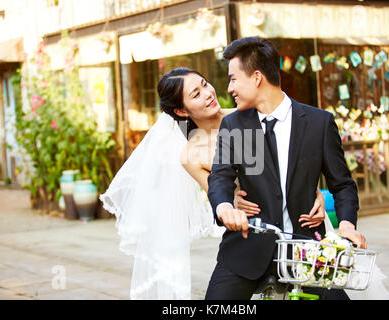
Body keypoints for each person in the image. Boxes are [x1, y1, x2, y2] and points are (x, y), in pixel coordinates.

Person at [100, 67, 327, 299]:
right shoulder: (191, 154)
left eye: (205, 84)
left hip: (298, 220)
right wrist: (231, 203)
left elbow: (291, 157)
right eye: (196, 94)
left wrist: (314, 190)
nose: (208, 93)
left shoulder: (248, 112)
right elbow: (217, 194)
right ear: (181, 110)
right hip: (249, 232)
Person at [205, 37, 367, 300]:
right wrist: (224, 206)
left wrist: (346, 226)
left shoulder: (319, 123)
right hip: (247, 248)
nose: (230, 87)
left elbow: (343, 185)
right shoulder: (234, 125)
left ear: (257, 77)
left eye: (233, 79)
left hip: (307, 250)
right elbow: (220, 176)